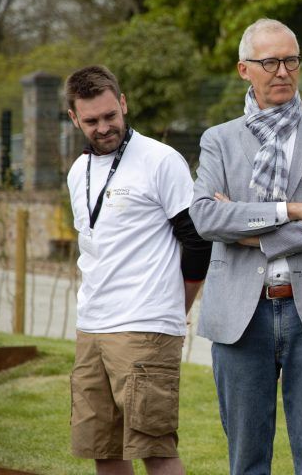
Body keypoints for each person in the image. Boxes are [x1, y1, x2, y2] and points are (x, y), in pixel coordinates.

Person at [189, 18, 302, 475]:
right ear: (244, 69)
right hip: (240, 318)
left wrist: (247, 231)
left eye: (291, 60)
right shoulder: (218, 141)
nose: (283, 71)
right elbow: (206, 217)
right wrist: (297, 209)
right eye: (270, 62)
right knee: (246, 461)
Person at [65, 65, 211, 475]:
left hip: (146, 326)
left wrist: (174, 308)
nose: (104, 127)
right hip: (91, 324)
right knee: (103, 447)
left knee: (156, 449)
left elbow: (198, 240)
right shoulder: (78, 171)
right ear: (75, 118)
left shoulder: (161, 160)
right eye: (91, 120)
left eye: (111, 115)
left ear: (123, 103)